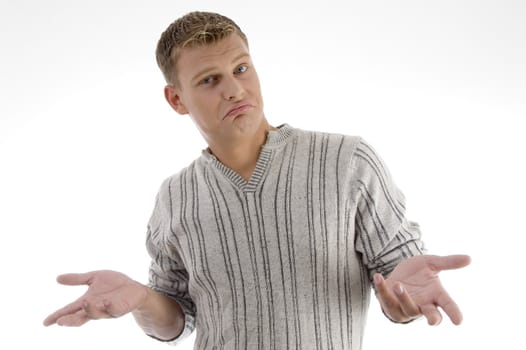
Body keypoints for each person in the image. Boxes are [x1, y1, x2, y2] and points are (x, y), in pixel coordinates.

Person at [43, 11, 471, 350]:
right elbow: (176, 320)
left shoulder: (346, 161)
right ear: (177, 99)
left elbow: (400, 283)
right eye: (210, 80)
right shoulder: (174, 197)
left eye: (241, 68)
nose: (234, 90)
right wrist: (140, 299)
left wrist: (405, 305)